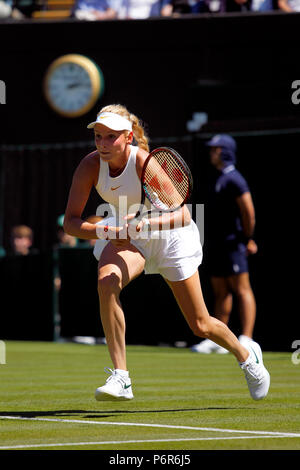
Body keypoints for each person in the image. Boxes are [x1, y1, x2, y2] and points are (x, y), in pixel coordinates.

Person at [63, 104, 270, 402]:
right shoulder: (89, 166)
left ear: (128, 137)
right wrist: (106, 231)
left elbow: (184, 215)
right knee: (107, 282)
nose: (103, 144)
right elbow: (71, 222)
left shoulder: (144, 163)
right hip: (131, 237)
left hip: (171, 237)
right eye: (98, 136)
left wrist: (141, 223)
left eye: (111, 137)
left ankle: (247, 356)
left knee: (200, 325)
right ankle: (121, 377)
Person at [191, 134, 258, 354]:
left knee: (242, 289)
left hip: (234, 244)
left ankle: (247, 338)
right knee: (221, 292)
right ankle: (220, 339)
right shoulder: (218, 177)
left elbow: (248, 212)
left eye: (216, 149)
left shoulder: (234, 178)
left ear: (226, 151)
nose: (212, 153)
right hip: (217, 244)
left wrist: (246, 239)